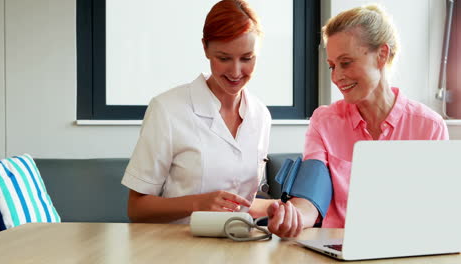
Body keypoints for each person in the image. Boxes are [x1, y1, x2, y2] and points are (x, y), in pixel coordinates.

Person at [266, 4, 449, 237]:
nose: (336, 77)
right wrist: (294, 218)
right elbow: (311, 196)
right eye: (332, 66)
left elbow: (436, 212)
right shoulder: (324, 121)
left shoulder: (429, 127)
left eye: (346, 62)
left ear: (382, 54)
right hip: (337, 249)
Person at [121, 0, 273, 224]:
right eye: (224, 58)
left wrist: (277, 208)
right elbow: (136, 207)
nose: (236, 71)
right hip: (178, 249)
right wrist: (197, 203)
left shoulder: (260, 115)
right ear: (205, 48)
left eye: (247, 58)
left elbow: (241, 203)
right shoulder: (167, 109)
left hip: (239, 246)